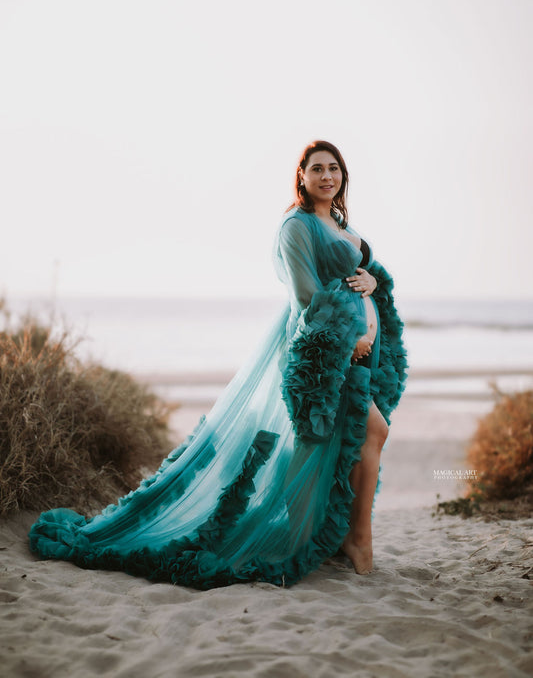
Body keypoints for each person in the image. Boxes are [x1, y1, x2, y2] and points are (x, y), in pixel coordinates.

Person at [29, 141, 407, 589]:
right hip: (322, 354)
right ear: (301, 176)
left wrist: (371, 280)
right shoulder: (296, 226)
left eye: (334, 168)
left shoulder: (340, 223)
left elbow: (358, 271)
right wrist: (350, 338)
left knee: (345, 438)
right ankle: (355, 540)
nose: (327, 176)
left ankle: (337, 533)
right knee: (361, 431)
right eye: (317, 169)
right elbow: (306, 296)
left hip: (352, 353)